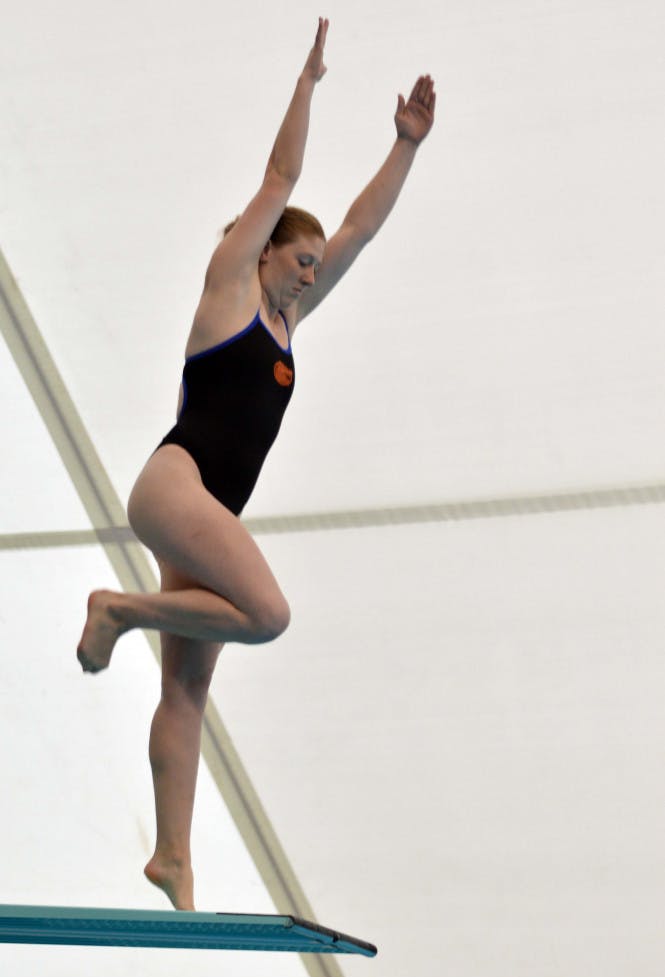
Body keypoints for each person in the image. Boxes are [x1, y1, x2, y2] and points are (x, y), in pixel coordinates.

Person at [77, 17, 435, 911]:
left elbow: (357, 227)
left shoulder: (289, 325)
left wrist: (404, 146)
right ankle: (117, 607)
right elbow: (282, 181)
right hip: (180, 484)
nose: (312, 274)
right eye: (300, 259)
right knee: (266, 613)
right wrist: (307, 88)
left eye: (315, 266)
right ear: (264, 247)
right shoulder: (232, 288)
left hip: (202, 509)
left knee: (188, 688)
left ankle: (173, 858)